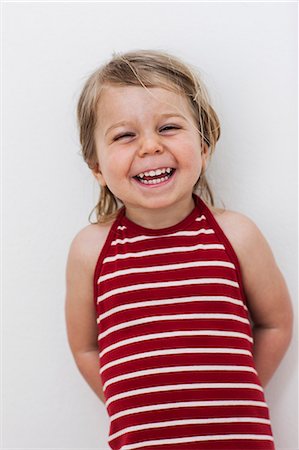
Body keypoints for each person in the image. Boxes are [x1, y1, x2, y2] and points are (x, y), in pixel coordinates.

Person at [65, 49, 293, 450]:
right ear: (96, 168)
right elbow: (86, 346)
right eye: (124, 135)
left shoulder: (237, 235)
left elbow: (276, 323)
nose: (150, 146)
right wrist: (129, 406)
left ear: (204, 148)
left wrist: (241, 392)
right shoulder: (91, 250)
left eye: (168, 127)